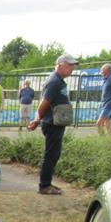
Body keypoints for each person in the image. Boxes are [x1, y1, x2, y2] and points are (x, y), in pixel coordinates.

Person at [28, 53, 78, 195]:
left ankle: (47, 183)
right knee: (51, 155)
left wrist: (37, 119)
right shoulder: (54, 81)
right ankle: (44, 186)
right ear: (60, 65)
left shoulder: (58, 80)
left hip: (56, 123)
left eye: (72, 66)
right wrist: (37, 119)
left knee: (54, 154)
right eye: (69, 65)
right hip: (52, 123)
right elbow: (44, 103)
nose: (72, 68)